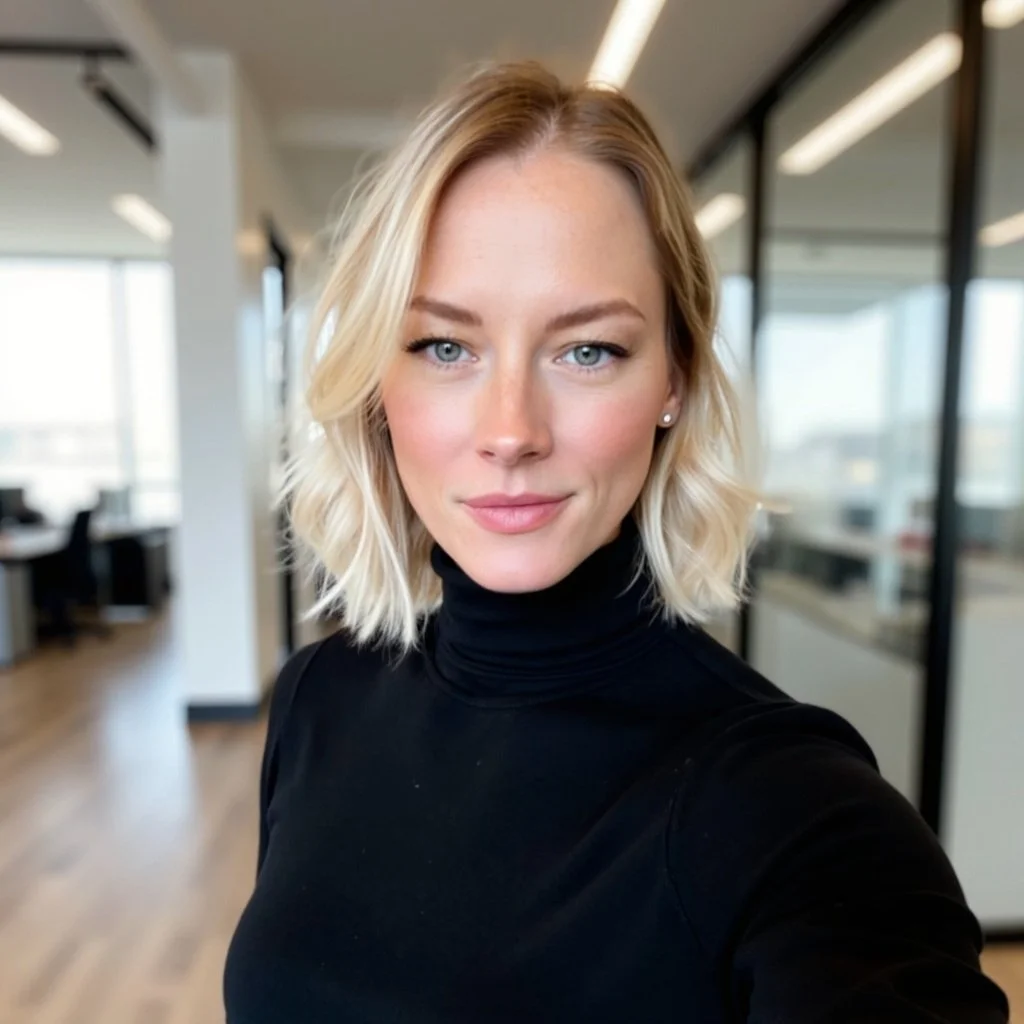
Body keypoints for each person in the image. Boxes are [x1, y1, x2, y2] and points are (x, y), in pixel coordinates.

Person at [223, 62, 1009, 1023]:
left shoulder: (798, 817)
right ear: (378, 384)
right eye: (445, 347)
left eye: (586, 350)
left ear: (674, 378)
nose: (511, 431)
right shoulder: (318, 699)